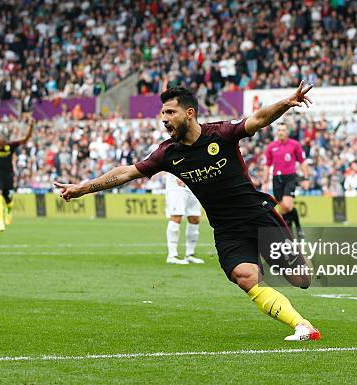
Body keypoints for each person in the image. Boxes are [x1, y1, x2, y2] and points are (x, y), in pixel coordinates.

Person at [54, 83, 320, 341]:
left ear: (189, 113)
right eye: (163, 114)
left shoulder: (221, 134)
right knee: (244, 276)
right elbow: (127, 172)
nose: (164, 119)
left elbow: (258, 119)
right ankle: (302, 325)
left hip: (257, 216)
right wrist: (82, 188)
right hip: (227, 229)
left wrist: (286, 103)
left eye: (170, 112)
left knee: (300, 279)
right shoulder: (168, 153)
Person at [262, 122, 308, 238]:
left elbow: (302, 162)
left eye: (283, 130)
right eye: (279, 130)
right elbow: (267, 165)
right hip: (277, 179)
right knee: (284, 208)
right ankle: (293, 230)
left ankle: (295, 228)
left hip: (290, 178)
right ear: (276, 132)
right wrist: (265, 181)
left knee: (287, 205)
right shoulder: (271, 147)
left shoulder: (295, 145)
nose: (281, 132)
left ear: (287, 132)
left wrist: (306, 178)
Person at [164, 172, 204, 265]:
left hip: (194, 184)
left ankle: (190, 254)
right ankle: (172, 256)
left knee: (195, 218)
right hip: (177, 185)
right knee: (176, 216)